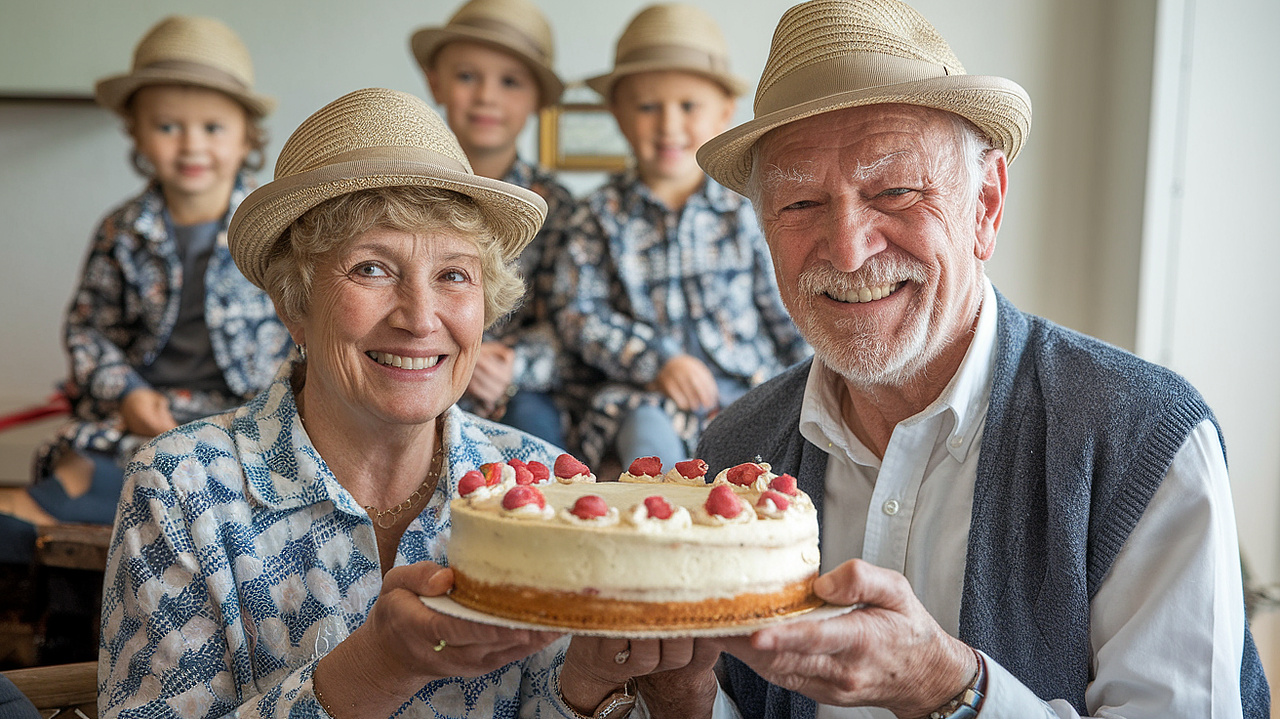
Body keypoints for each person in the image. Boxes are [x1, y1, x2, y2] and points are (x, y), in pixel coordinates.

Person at [640, 0, 1273, 717]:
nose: (848, 248)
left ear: (986, 206)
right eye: (801, 204)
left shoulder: (1145, 440)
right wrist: (680, 696)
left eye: (895, 190)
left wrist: (951, 689)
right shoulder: (736, 448)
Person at [97, 87, 714, 719]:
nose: (421, 319)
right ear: (294, 305)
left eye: (453, 275)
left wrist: (589, 689)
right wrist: (375, 669)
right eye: (371, 269)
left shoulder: (546, 488)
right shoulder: (179, 487)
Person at [0, 16, 289, 565]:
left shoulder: (273, 227)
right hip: (143, 412)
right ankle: (51, 523)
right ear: (135, 132)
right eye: (167, 127)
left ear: (247, 135)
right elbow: (89, 330)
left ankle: (91, 510)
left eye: (212, 128)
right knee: (87, 459)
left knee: (226, 474)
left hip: (241, 414)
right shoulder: (123, 231)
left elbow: (306, 325)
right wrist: (127, 394)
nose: (191, 145)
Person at [554, 3, 810, 469]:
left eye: (688, 106)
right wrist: (657, 361)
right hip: (647, 396)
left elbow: (785, 310)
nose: (669, 124)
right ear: (617, 113)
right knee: (646, 441)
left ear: (723, 113)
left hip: (748, 388)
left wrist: (815, 376)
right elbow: (577, 315)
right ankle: (663, 518)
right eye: (648, 106)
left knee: (778, 445)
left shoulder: (748, 211)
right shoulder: (597, 215)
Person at [410, 0, 576, 448]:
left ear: (538, 99)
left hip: (515, 389)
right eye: (467, 76)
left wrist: (509, 365)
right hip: (415, 359)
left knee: (536, 437)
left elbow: (568, 327)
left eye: (510, 82)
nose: (486, 96)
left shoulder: (556, 204)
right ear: (435, 81)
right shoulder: (405, 193)